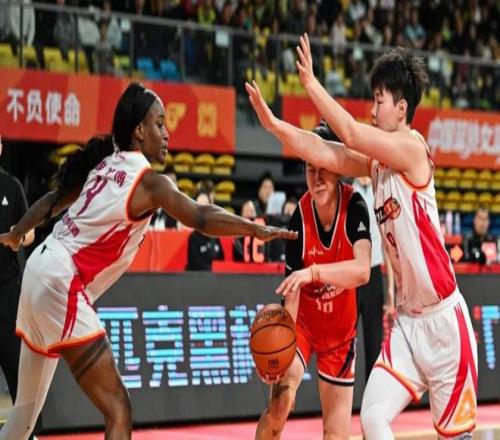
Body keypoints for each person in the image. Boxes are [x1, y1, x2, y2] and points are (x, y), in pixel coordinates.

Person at [0, 82, 297, 440]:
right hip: (62, 280)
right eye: (159, 124)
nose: (167, 133)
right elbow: (201, 217)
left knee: (25, 413)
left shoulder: (104, 164)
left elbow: (51, 202)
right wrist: (253, 228)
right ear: (139, 130)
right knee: (118, 408)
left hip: (38, 268)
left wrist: (17, 232)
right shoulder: (149, 183)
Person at [246, 34, 477, 439]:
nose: (372, 110)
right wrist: (272, 125)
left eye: (379, 101)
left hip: (444, 324)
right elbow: (324, 152)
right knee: (371, 417)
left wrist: (311, 84)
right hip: (408, 325)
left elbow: (350, 134)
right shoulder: (377, 165)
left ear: (401, 108)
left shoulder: (412, 148)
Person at [255, 122, 372, 440]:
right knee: (279, 406)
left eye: (323, 168)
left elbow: (362, 271)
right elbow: (292, 294)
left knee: (335, 435)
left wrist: (315, 272)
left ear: (338, 168)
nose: (316, 178)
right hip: (304, 329)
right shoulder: (299, 217)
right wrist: (280, 351)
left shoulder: (355, 207)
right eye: (310, 169)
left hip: (340, 336)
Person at [0, 135, 36, 439]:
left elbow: (31, 232)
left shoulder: (12, 186)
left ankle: (27, 432)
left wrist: (18, 236)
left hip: (7, 292)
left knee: (17, 368)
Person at [353, 175, 395, 383]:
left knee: (374, 343)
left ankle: (372, 397)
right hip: (351, 273)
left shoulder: (381, 190)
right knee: (345, 345)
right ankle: (342, 396)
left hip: (374, 273)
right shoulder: (347, 189)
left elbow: (387, 243)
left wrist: (391, 288)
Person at [185, 191, 224, 271]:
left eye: (205, 205)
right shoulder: (193, 238)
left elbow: (221, 260)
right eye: (200, 206)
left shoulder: (215, 236)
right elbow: (196, 264)